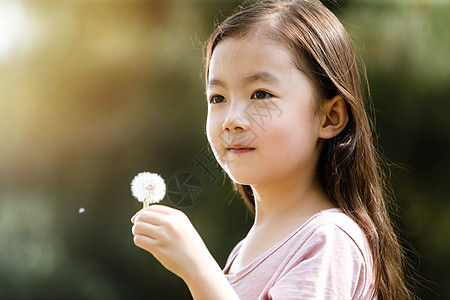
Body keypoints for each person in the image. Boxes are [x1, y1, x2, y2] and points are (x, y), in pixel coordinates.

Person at [131, 0, 412, 299]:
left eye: (261, 94)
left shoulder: (329, 240)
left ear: (330, 117)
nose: (231, 121)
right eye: (217, 98)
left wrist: (198, 269)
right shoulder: (243, 252)